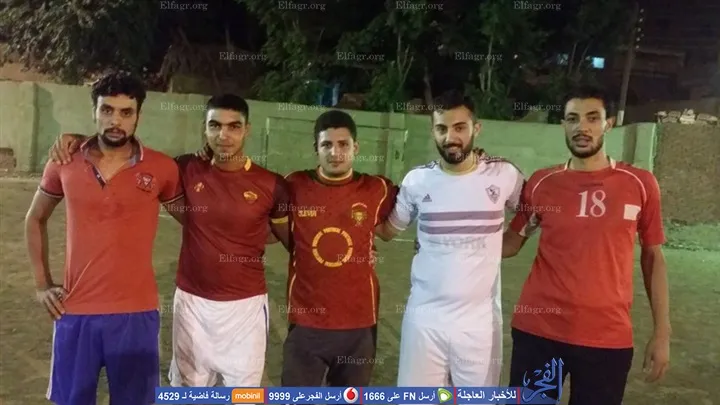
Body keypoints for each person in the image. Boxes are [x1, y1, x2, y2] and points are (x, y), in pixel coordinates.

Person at [48, 94, 291, 388]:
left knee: (243, 395)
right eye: (215, 126)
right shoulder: (185, 167)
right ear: (204, 128)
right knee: (187, 389)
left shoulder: (271, 183)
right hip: (191, 301)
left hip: (245, 307)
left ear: (247, 130)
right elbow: (127, 152)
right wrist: (78, 140)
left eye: (234, 126)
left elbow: (288, 239)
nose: (223, 135)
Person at [199, 109, 398, 386]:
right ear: (316, 148)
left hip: (359, 325)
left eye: (343, 144)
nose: (335, 152)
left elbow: (418, 200)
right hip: (306, 323)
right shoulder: (294, 186)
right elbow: (263, 223)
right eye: (326, 145)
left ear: (356, 147)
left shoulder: (377, 189)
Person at [502, 86, 670, 405]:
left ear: (609, 124)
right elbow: (510, 243)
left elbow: (653, 258)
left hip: (606, 339)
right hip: (537, 331)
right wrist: (452, 243)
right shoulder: (542, 182)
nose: (582, 127)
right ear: (563, 125)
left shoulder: (640, 183)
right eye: (573, 119)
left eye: (593, 118)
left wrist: (662, 333)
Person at [25, 71, 183, 405]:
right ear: (94, 111)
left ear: (138, 116)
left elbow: (199, 221)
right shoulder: (64, 161)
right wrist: (42, 285)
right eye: (107, 110)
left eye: (126, 112)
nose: (116, 121)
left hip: (136, 313)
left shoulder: (162, 168)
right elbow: (35, 218)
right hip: (75, 310)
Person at [375, 91, 524, 388]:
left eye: (459, 128)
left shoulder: (504, 174)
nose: (450, 137)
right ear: (433, 131)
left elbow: (533, 212)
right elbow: (389, 231)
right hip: (424, 322)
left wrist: (512, 241)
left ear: (476, 128)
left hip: (479, 326)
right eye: (442, 129)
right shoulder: (417, 181)